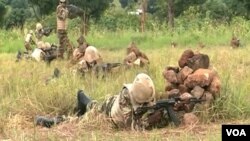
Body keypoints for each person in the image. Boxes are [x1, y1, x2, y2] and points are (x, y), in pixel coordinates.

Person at [35, 73, 169, 130]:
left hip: (109, 104)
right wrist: (150, 121)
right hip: (105, 113)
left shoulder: (143, 92)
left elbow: (146, 107)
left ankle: (81, 100)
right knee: (76, 121)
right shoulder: (125, 97)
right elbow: (129, 126)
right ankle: (46, 121)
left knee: (90, 104)